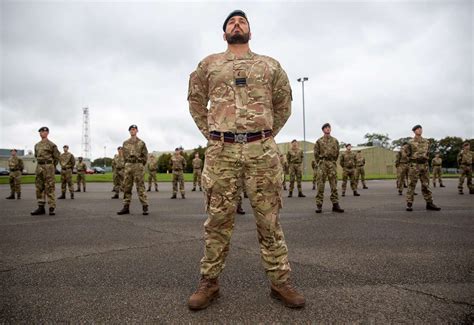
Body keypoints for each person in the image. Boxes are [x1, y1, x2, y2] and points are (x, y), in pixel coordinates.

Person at [187, 10, 305, 310]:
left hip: (262, 153)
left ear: (250, 32)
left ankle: (280, 283)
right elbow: (196, 101)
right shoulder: (208, 65)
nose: (236, 24)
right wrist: (213, 134)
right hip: (221, 152)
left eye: (242, 21)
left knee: (270, 221)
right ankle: (209, 282)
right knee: (217, 221)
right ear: (224, 33)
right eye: (231, 22)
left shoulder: (269, 65)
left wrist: (263, 135)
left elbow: (284, 104)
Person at [405, 125, 441, 211]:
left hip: (424, 166)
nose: (420, 130)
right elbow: (406, 154)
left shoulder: (426, 141)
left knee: (426, 185)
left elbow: (428, 153)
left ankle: (429, 203)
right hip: (414, 165)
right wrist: (411, 162)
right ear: (414, 131)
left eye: (421, 129)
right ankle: (409, 204)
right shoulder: (410, 142)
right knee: (411, 185)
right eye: (418, 129)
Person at [117, 125, 149, 215]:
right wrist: (126, 165)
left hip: (138, 165)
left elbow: (145, 156)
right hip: (128, 165)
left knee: (140, 186)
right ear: (129, 131)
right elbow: (123, 156)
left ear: (137, 131)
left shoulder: (141, 143)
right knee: (127, 186)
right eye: (131, 130)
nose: (132, 131)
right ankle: (126, 207)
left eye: (134, 129)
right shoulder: (125, 143)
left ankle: (145, 206)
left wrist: (140, 164)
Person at [314, 123, 344, 213]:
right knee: (320, 185)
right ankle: (319, 205)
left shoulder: (335, 141)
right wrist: (320, 162)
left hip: (331, 163)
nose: (328, 129)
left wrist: (332, 161)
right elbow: (316, 153)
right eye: (326, 128)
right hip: (322, 163)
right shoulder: (319, 141)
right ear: (323, 130)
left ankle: (335, 205)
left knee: (334, 184)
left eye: (329, 128)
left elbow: (337, 153)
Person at [31, 126, 60, 215]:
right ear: (40, 133)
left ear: (47, 133)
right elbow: (36, 156)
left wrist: (51, 166)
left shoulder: (52, 145)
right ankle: (41, 207)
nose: (43, 133)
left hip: (48, 167)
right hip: (39, 167)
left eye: (45, 132)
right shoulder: (37, 145)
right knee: (39, 187)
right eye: (41, 132)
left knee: (50, 187)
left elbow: (57, 157)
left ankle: (51, 207)